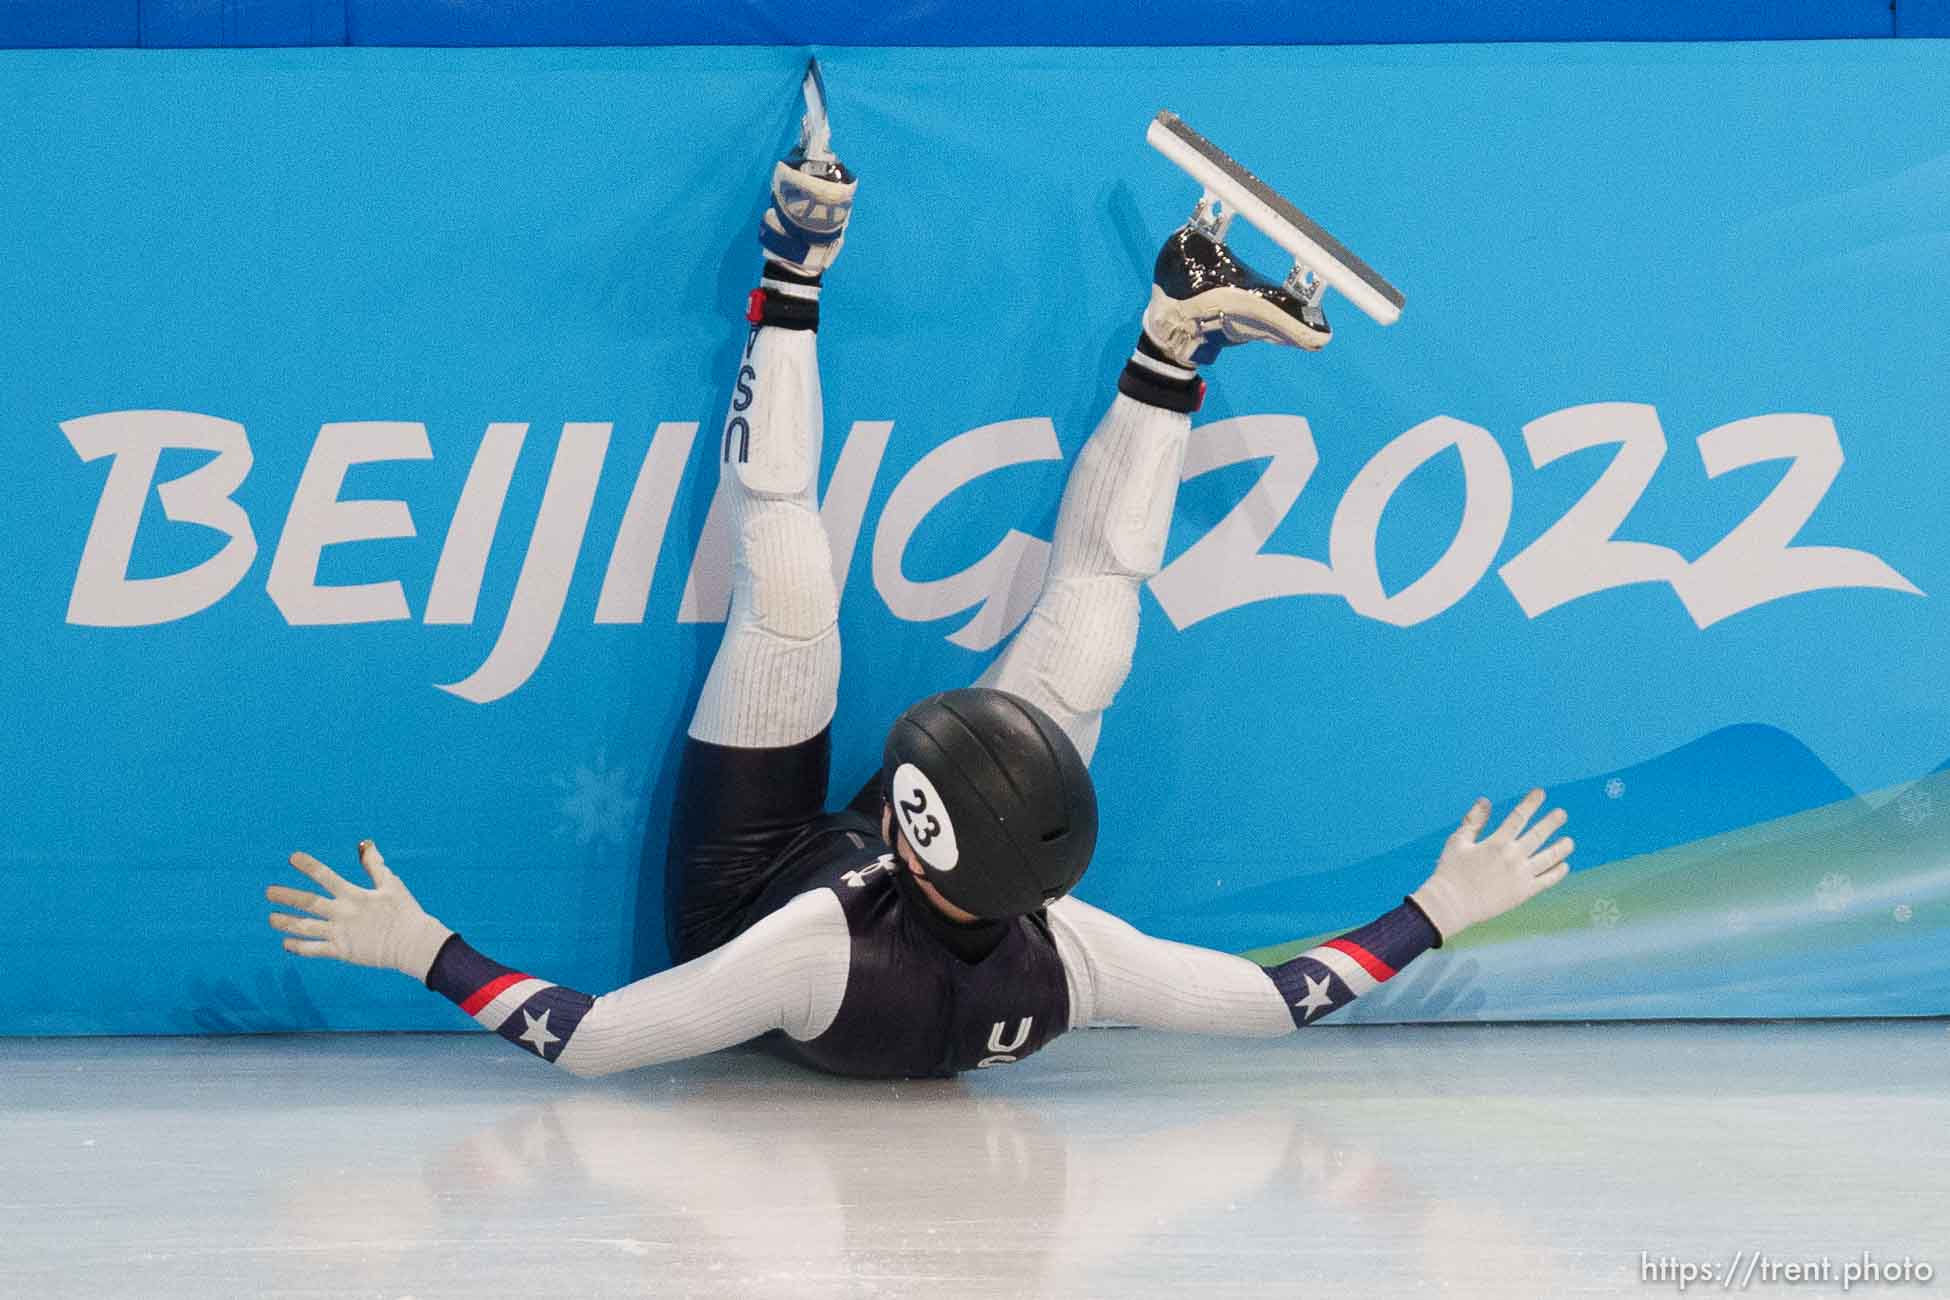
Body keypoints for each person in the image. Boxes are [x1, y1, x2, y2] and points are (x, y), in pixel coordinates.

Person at [266, 103, 1573, 1080]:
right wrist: (1437, 910)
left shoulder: (803, 950)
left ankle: (789, 276)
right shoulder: (1074, 947)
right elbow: (1278, 996)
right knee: (1095, 626)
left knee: (792, 606)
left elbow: (595, 1040)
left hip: (747, 888)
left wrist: (422, 948)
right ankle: (1173, 339)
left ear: (908, 831)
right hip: (882, 896)